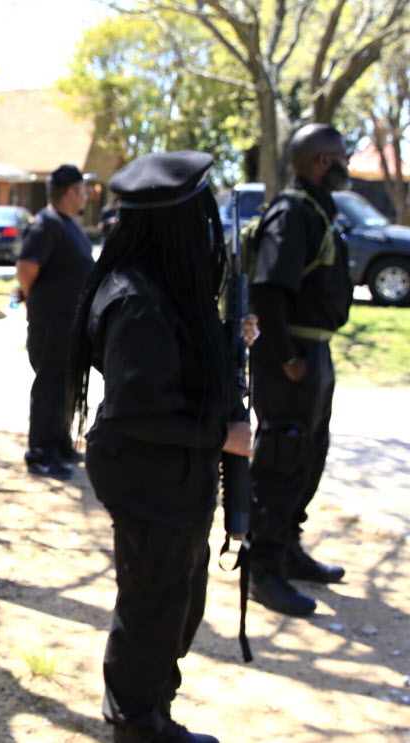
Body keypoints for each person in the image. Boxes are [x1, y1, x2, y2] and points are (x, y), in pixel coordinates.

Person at [67, 151, 252, 743]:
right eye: (200, 214)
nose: (209, 228)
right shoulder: (137, 298)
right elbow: (137, 410)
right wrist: (222, 436)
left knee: (175, 601)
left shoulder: (157, 284)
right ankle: (137, 723)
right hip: (149, 477)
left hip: (169, 473)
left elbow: (177, 363)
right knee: (154, 608)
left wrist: (228, 342)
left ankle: (144, 708)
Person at [246, 123, 353, 617]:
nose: (348, 162)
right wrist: (288, 358)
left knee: (309, 456)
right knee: (281, 456)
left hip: (314, 355)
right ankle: (262, 569)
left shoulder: (317, 208)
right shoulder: (291, 213)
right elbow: (268, 291)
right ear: (321, 162)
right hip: (288, 360)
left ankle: (287, 548)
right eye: (342, 155)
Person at [15, 164, 96, 479]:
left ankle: (59, 445)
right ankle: (40, 454)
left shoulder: (68, 223)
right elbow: (26, 268)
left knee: (66, 386)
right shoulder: (46, 224)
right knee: (50, 387)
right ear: (71, 191)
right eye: (83, 189)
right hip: (52, 324)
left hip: (71, 324)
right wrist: (38, 304)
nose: (87, 194)